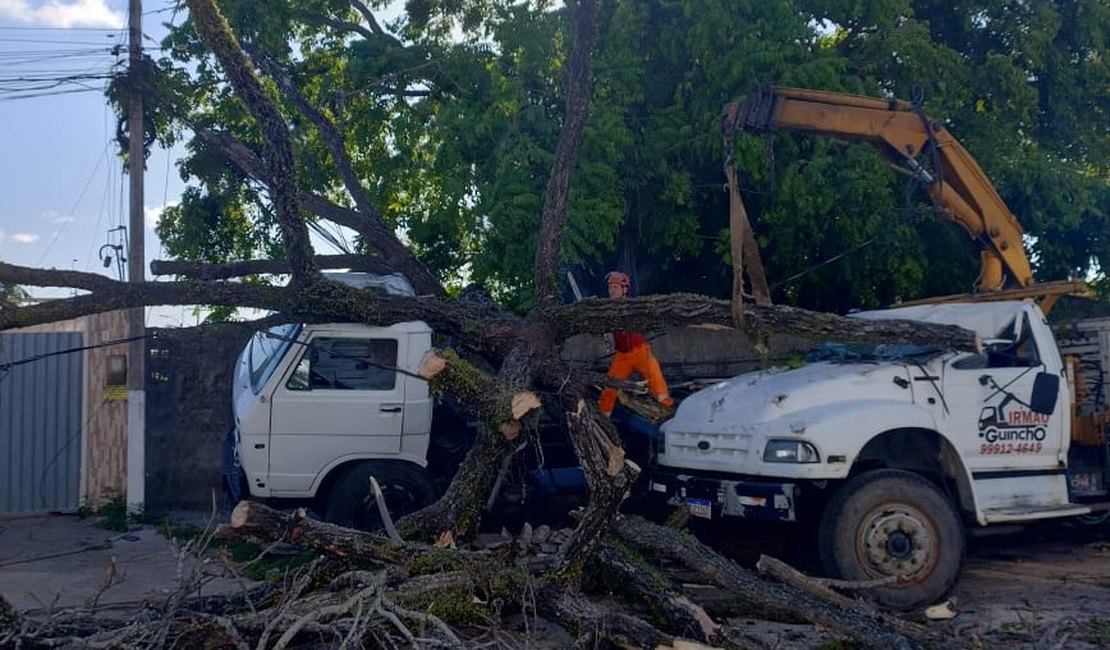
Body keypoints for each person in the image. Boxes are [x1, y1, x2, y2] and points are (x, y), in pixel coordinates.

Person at [597, 271, 674, 416]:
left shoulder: (633, 306)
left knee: (654, 376)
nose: (612, 290)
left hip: (640, 351)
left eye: (615, 287)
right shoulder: (606, 309)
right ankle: (603, 415)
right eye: (611, 287)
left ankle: (667, 407)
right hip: (622, 356)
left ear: (624, 289)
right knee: (610, 386)